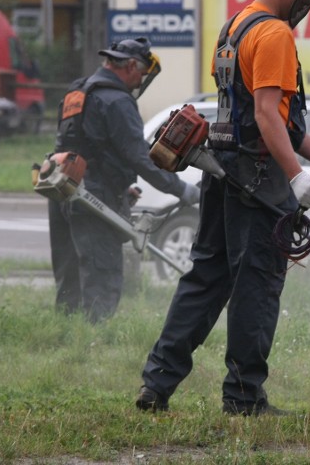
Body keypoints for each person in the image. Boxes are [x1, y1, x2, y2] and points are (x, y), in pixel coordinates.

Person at [136, 0, 310, 416]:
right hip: (257, 181)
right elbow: (265, 115)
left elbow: (278, 121)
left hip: (224, 173)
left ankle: (156, 386)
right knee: (256, 287)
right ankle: (243, 398)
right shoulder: (274, 34)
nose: (305, 3)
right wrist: (296, 176)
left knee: (205, 279)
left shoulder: (234, 27)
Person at [48, 38, 200, 323]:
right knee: (101, 275)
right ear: (131, 65)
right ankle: (94, 346)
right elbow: (140, 157)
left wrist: (119, 182)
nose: (139, 81)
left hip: (64, 190)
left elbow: (83, 145)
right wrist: (183, 190)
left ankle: (66, 338)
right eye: (141, 74)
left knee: (70, 278)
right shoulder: (117, 100)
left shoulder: (78, 91)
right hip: (93, 200)